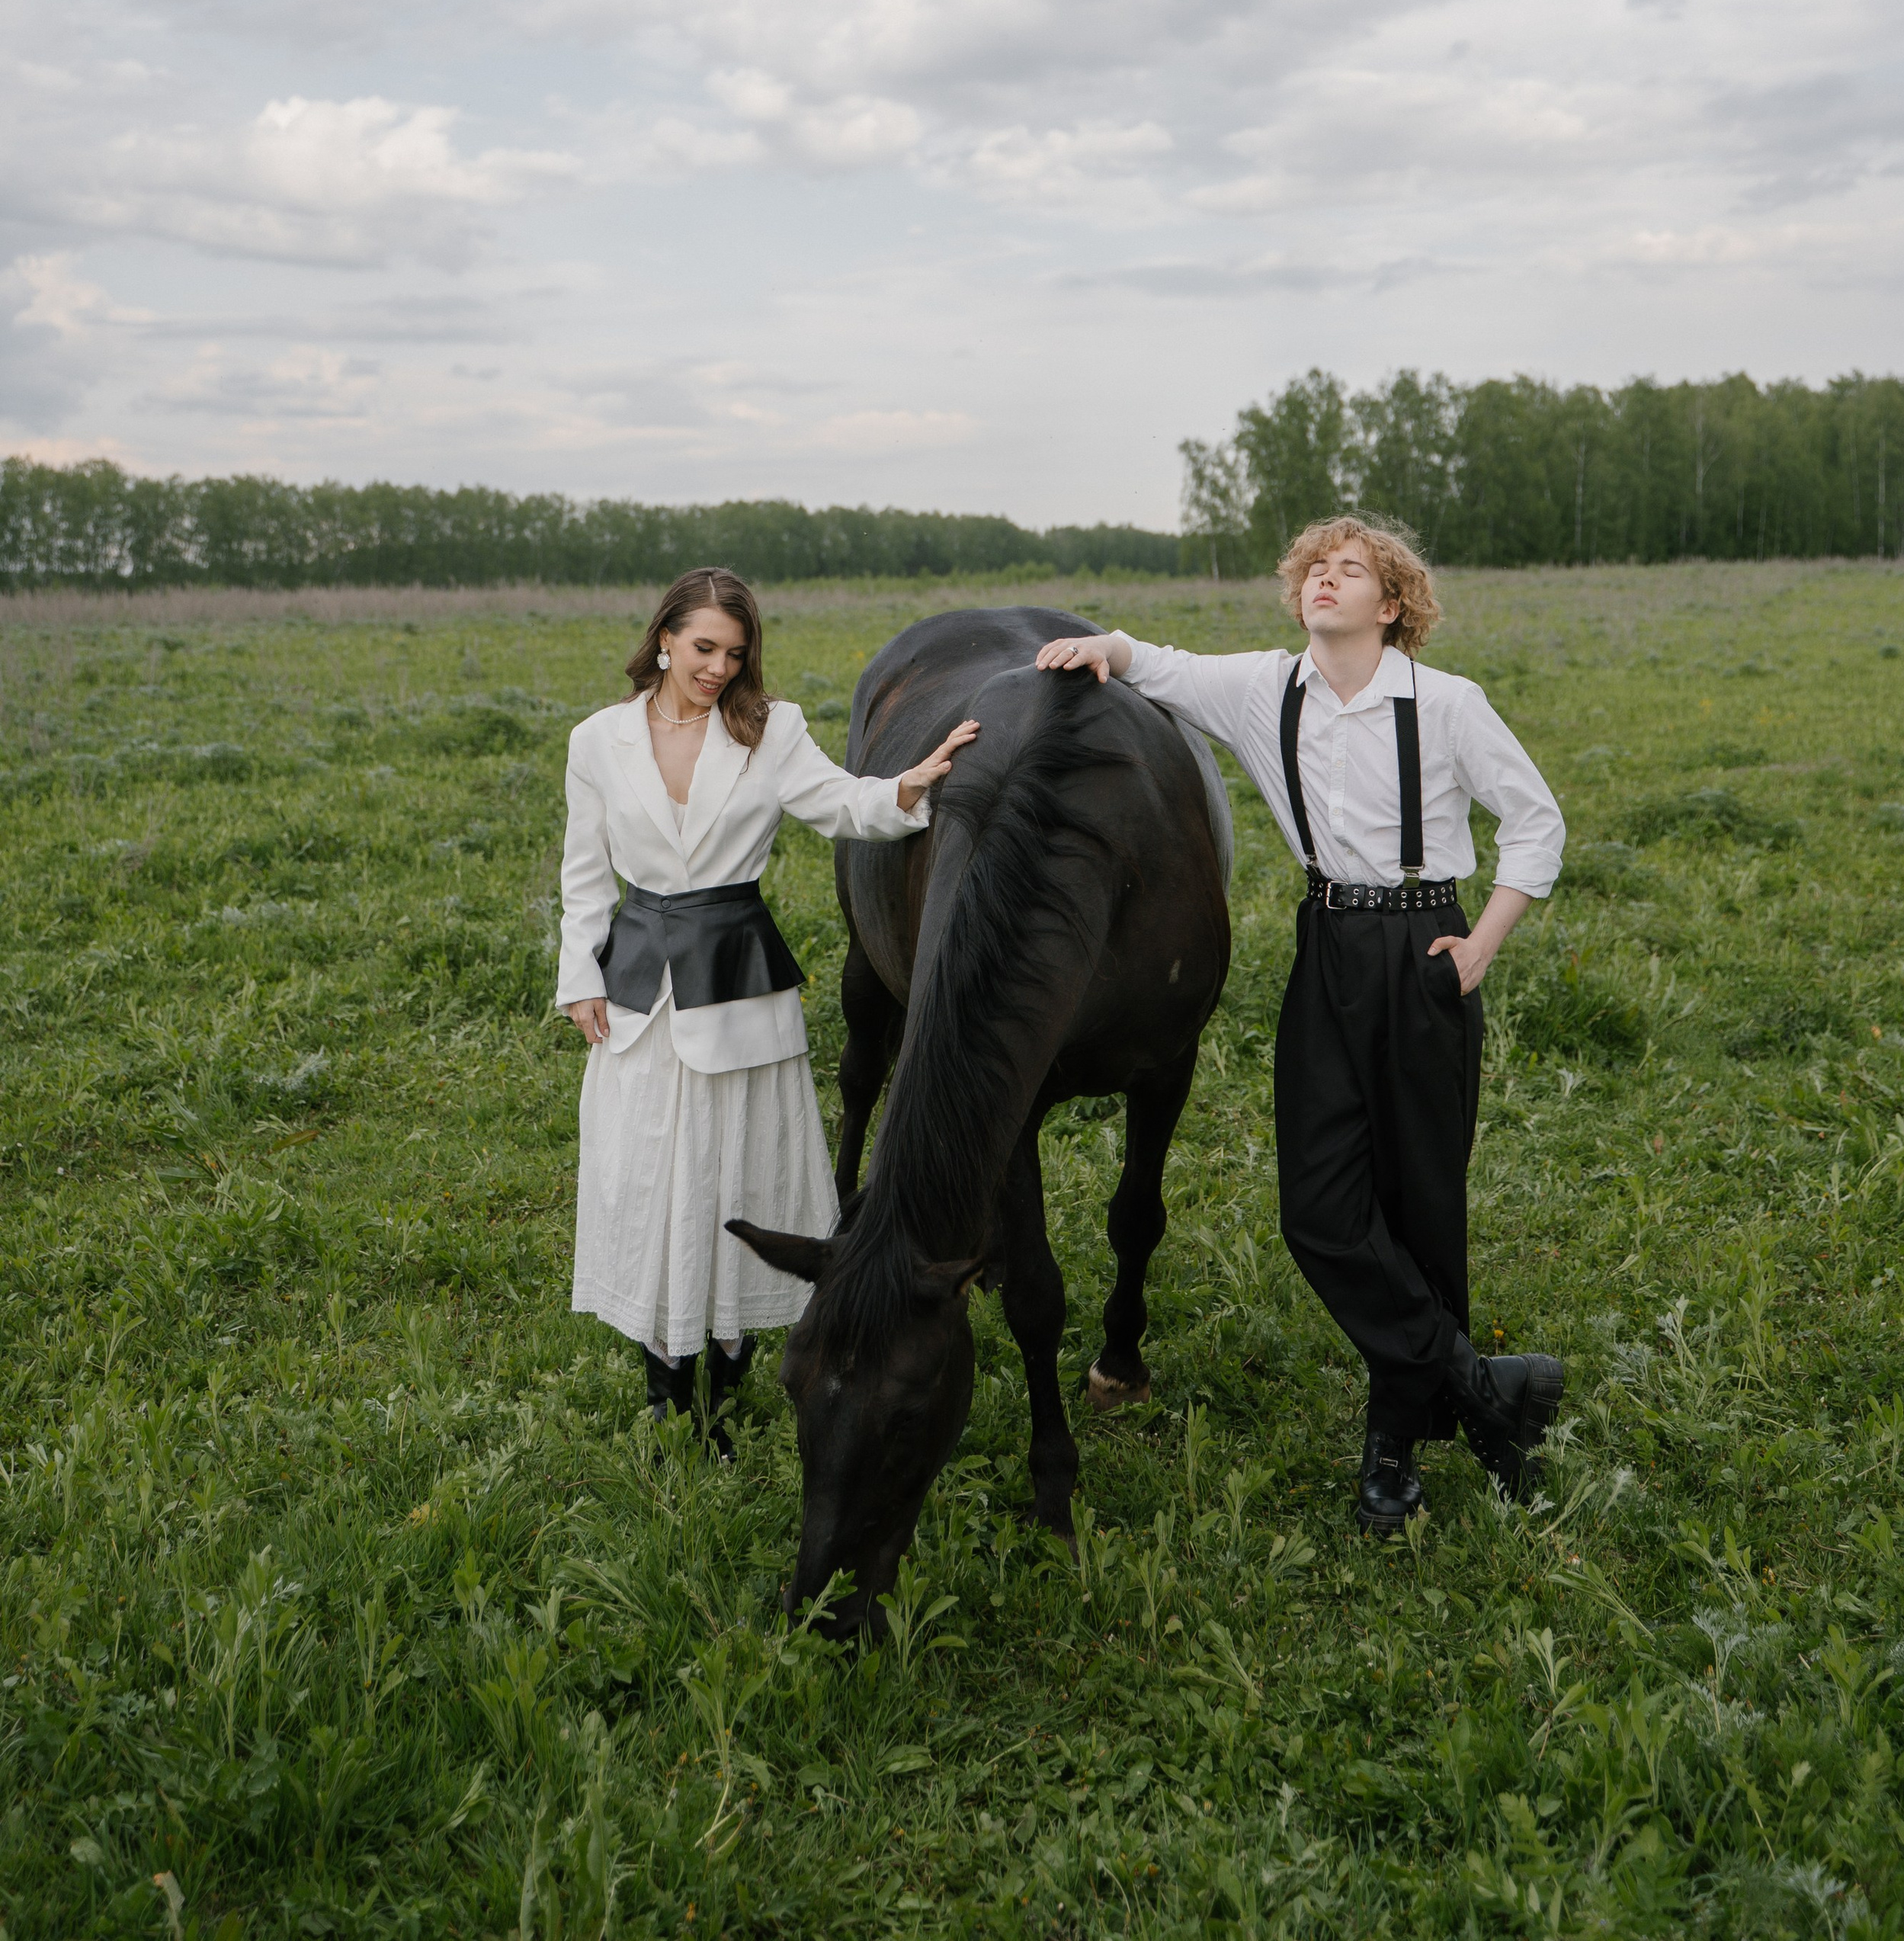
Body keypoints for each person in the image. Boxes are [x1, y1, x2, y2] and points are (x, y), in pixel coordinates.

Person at [1035, 518, 1566, 1535]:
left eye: (1349, 569)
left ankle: (1393, 1451)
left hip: (1423, 948)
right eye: (1314, 568)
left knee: (1418, 1210)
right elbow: (1162, 666)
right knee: (1318, 1211)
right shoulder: (1264, 689)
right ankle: (1480, 1388)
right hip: (1325, 948)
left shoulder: (1447, 703)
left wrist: (1482, 945)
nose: (1325, 578)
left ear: (1391, 605)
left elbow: (1536, 820)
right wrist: (1103, 646)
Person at [558, 566, 976, 1448]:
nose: (717, 668)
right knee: (646, 1177)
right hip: (639, 994)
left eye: (735, 653)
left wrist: (910, 784)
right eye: (703, 647)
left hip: (739, 988)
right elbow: (585, 876)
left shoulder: (770, 728)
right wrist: (580, 976)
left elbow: (843, 805)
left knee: (737, 1174)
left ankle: (726, 1361)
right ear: (664, 638)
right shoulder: (597, 741)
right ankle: (666, 1383)